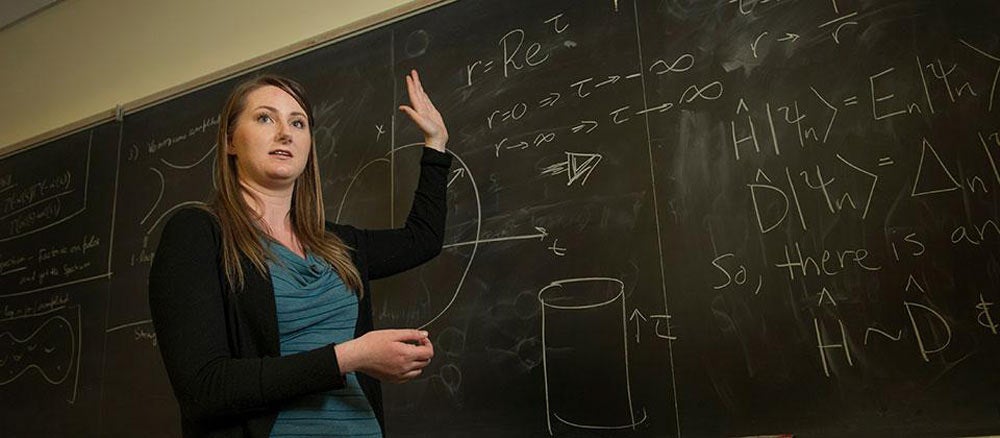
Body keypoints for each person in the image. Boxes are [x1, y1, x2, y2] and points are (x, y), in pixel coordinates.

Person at [148, 70, 450, 438]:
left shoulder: (337, 245)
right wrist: (352, 356)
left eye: (298, 122)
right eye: (264, 118)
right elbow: (204, 389)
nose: (285, 133)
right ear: (229, 140)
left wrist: (435, 144)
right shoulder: (198, 233)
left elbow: (423, 240)